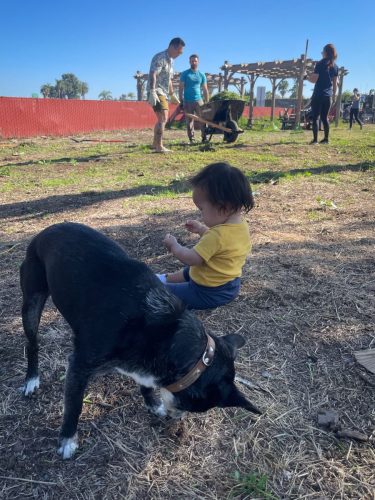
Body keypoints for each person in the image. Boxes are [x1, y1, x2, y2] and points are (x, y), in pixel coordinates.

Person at [157, 162, 254, 310]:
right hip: (229, 284)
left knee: (162, 294)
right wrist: (202, 229)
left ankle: (162, 285)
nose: (200, 214)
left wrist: (174, 246)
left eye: (201, 209)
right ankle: (165, 278)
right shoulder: (240, 225)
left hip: (207, 292)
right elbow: (222, 247)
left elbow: (192, 259)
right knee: (188, 273)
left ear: (224, 207)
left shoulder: (217, 234)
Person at [147, 37, 185, 153]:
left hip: (164, 92)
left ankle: (155, 144)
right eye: (179, 51)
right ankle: (159, 146)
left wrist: (172, 93)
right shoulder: (161, 57)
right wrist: (153, 91)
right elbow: (153, 74)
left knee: (161, 118)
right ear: (172, 46)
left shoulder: (171, 60)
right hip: (157, 91)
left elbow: (168, 79)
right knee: (163, 117)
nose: (179, 54)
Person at [306, 43, 339, 144]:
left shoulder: (320, 64)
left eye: (322, 51)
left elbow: (314, 79)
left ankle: (315, 140)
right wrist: (333, 96)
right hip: (328, 96)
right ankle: (326, 139)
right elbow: (335, 84)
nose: (321, 53)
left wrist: (306, 76)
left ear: (325, 52)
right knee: (325, 118)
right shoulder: (335, 66)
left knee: (316, 117)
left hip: (318, 94)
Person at [179, 54, 209, 143]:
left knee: (203, 119)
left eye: (195, 61)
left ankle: (204, 137)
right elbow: (181, 88)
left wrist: (207, 101)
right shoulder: (185, 74)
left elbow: (205, 89)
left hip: (199, 100)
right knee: (189, 121)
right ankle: (191, 139)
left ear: (198, 62)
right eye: (192, 61)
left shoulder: (201, 75)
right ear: (189, 62)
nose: (194, 62)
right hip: (187, 100)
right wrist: (181, 100)